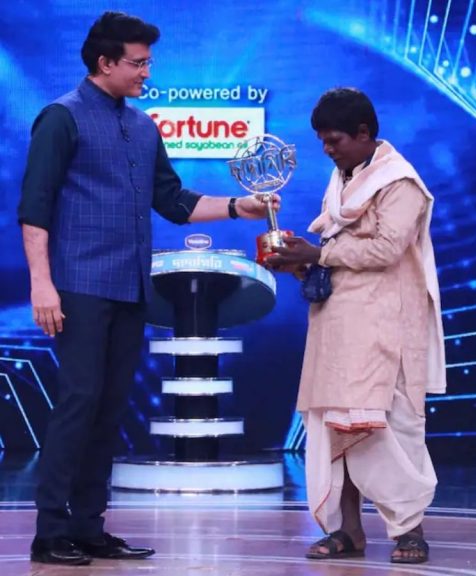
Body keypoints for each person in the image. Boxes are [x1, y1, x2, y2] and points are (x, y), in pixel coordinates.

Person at [17, 11, 278, 566]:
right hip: (79, 286)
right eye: (137, 63)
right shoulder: (60, 118)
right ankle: (51, 530)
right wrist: (42, 284)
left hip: (131, 287)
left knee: (110, 407)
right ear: (104, 62)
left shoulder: (142, 126)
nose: (146, 72)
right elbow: (34, 208)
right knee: (79, 402)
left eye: (148, 62)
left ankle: (89, 527)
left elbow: (174, 202)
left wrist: (241, 207)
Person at [264, 87, 445, 565]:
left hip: (386, 324)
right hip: (336, 322)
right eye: (323, 141)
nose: (328, 149)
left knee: (390, 428)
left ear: (364, 133)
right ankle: (346, 531)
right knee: (332, 426)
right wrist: (301, 262)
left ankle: (409, 531)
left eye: (335, 140)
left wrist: (319, 252)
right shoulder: (343, 179)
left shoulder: (400, 182)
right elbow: (339, 255)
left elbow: (386, 249)